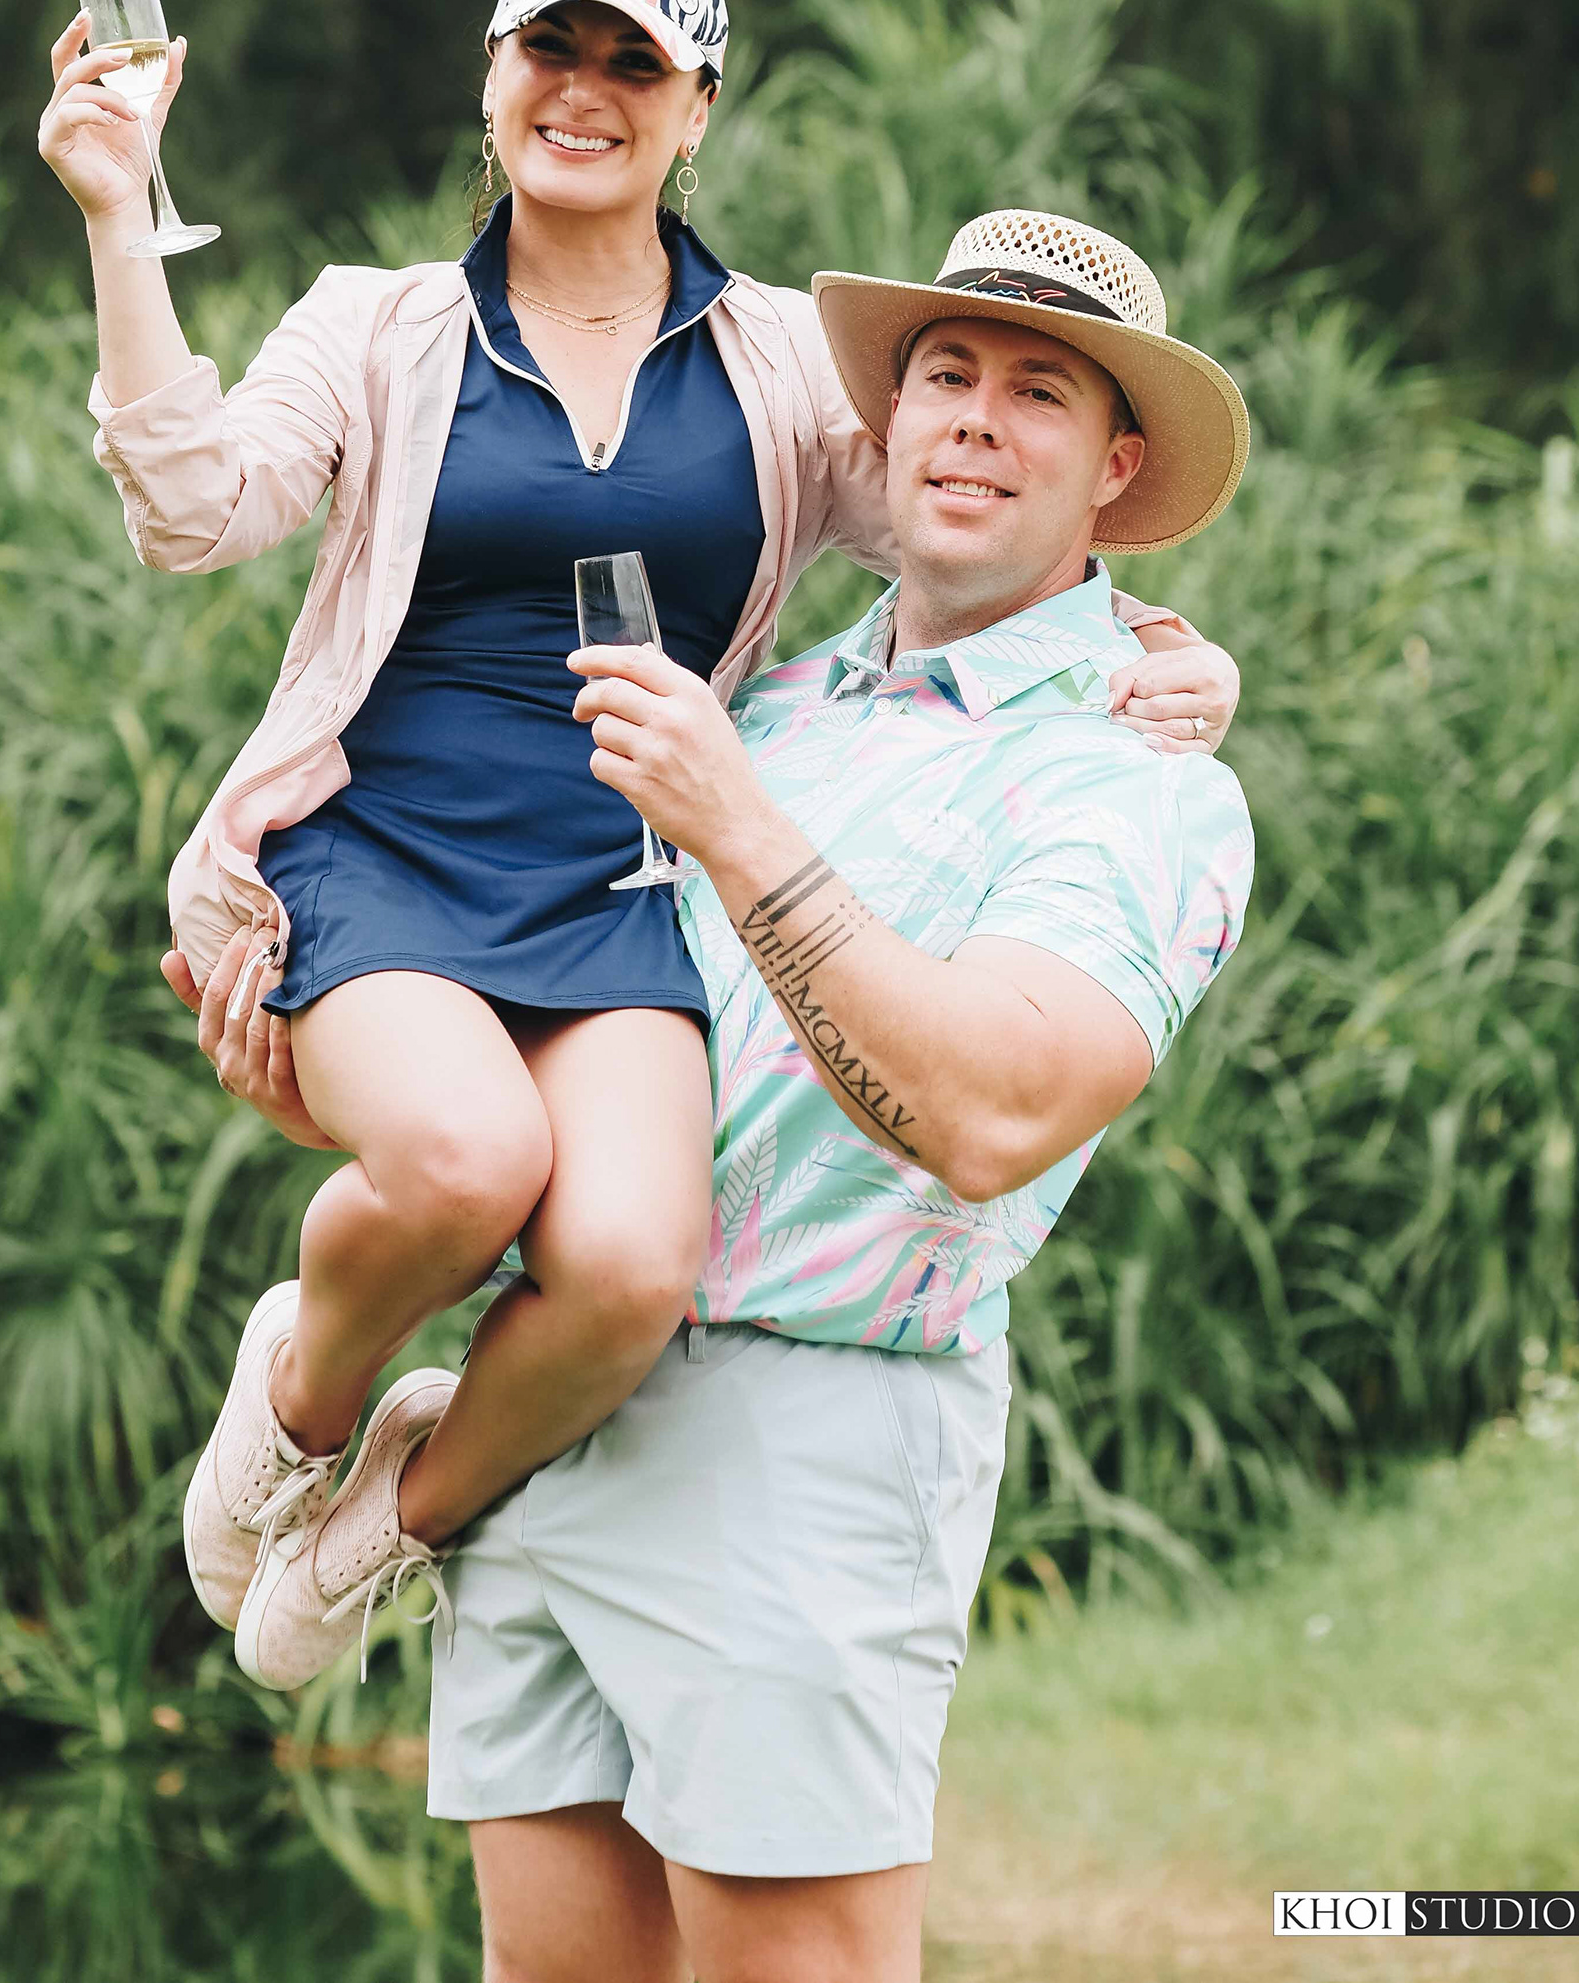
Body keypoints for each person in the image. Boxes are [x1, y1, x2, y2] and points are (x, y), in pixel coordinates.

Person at [40, 0, 1239, 1693]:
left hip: (626, 887)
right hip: (383, 859)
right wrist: (120, 218)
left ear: (697, 110)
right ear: (494, 80)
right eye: (552, 49)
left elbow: (973, 500)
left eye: (633, 63)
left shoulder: (774, 365)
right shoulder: (377, 330)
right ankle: (298, 1400)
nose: (583, 91)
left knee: (628, 1265)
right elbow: (192, 510)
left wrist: (1158, 644)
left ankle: (394, 1514)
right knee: (465, 1161)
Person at [402, 207, 1257, 1983]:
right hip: (554, 1397)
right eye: (946, 374)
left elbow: (992, 1113)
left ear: (1115, 467)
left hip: (810, 1444)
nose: (973, 419)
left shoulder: (1137, 778)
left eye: (1038, 392)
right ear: (885, 427)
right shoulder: (764, 704)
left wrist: (733, 826)